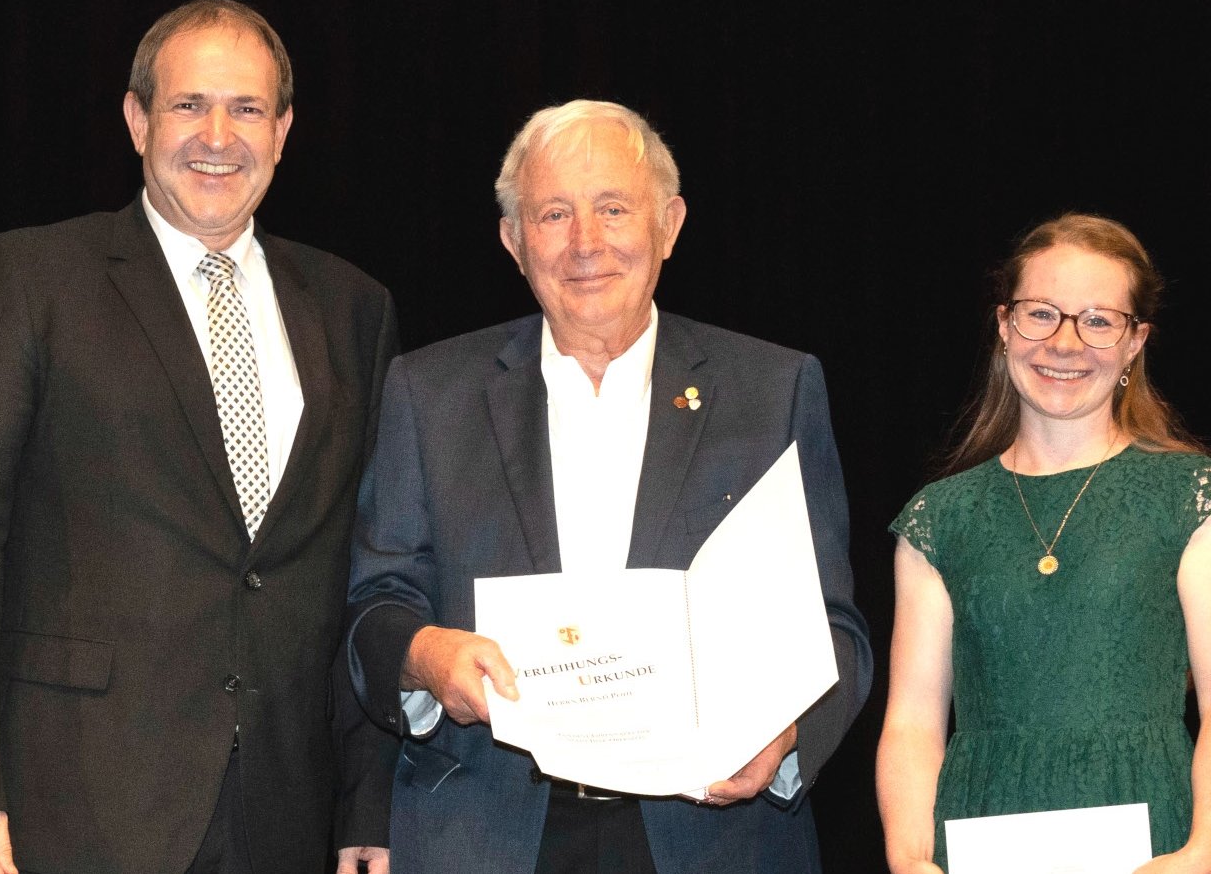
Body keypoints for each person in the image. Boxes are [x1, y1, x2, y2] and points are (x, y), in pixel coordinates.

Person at [0, 0, 400, 874]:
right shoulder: (26, 280)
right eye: (187, 105)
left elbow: (364, 569)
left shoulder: (353, 308)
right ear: (136, 120)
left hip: (281, 810)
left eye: (245, 109)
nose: (217, 134)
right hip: (67, 803)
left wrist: (367, 805)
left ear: (283, 130)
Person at [344, 99, 873, 873]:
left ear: (670, 224)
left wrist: (787, 733)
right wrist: (427, 655)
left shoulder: (772, 391)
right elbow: (375, 605)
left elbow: (834, 629)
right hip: (488, 832)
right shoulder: (430, 394)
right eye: (554, 213)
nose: (586, 244)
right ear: (513, 240)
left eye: (614, 209)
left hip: (712, 835)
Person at [875, 214, 1211, 873]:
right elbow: (912, 721)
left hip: (1157, 843)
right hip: (979, 829)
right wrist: (910, 860)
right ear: (1003, 326)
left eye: (1098, 320)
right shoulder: (939, 519)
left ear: (1135, 342)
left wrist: (1202, 854)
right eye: (1042, 314)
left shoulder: (1195, 498)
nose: (1065, 342)